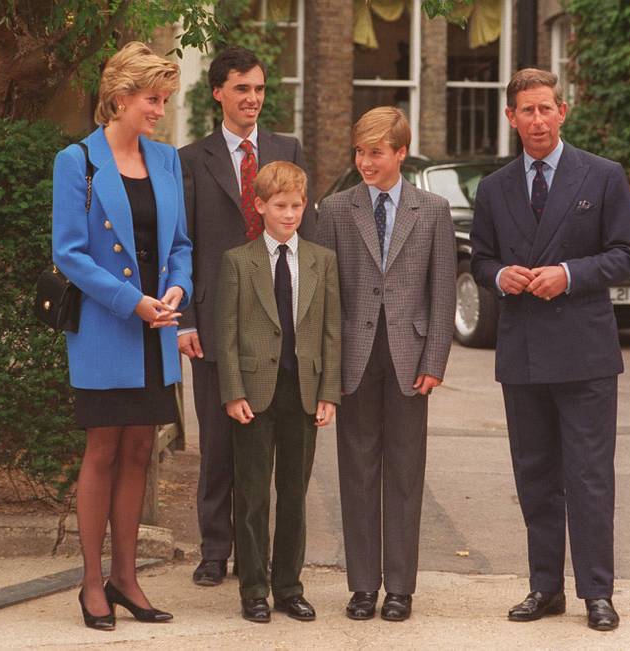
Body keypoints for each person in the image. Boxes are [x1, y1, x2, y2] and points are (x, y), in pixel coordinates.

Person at [470, 68, 630, 631]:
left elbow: (626, 255)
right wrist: (502, 277)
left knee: (590, 476)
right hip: (522, 353)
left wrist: (567, 274)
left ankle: (598, 592)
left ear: (562, 111)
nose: (538, 120)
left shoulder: (602, 175)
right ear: (511, 117)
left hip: (585, 352)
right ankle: (544, 588)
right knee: (535, 475)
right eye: (527, 111)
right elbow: (481, 261)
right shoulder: (494, 188)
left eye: (547, 109)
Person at [52, 41, 192, 630]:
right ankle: (91, 583)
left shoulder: (166, 161)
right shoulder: (77, 160)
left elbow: (181, 245)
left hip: (156, 326)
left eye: (163, 99)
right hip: (108, 326)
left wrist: (176, 292)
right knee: (104, 450)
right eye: (152, 98)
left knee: (141, 449)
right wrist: (131, 301)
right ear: (120, 97)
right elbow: (70, 253)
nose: (159, 109)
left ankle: (127, 578)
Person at [178, 46, 315, 587]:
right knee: (217, 442)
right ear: (218, 93)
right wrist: (186, 319)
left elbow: (306, 229)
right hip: (215, 321)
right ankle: (215, 549)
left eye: (259, 89)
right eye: (242, 89)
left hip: (280, 318)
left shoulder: (288, 148)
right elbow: (180, 244)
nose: (253, 99)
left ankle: (268, 560)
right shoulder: (191, 159)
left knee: (274, 448)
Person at [317, 107, 456, 622]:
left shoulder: (433, 210)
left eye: (376, 152)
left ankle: (400, 586)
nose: (366, 161)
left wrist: (435, 358)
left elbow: (441, 292)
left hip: (409, 357)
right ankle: (362, 586)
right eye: (359, 152)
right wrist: (326, 371)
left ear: (401, 152)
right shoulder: (334, 209)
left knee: (404, 471)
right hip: (353, 356)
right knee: (355, 471)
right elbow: (325, 298)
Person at [214, 161, 340, 623]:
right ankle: (253, 589)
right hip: (254, 392)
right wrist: (232, 391)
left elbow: (331, 332)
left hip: (302, 392)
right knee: (251, 493)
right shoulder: (238, 262)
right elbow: (225, 333)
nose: (290, 215)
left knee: (294, 492)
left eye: (297, 206)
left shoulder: (321, 260)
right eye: (280, 206)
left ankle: (289, 586)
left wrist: (329, 392)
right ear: (260, 206)